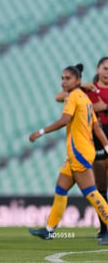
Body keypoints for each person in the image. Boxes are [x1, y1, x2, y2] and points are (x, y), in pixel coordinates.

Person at [28, 64, 108, 245]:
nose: (63, 82)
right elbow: (97, 127)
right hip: (81, 152)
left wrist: (40, 132)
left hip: (78, 153)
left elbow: (65, 120)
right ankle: (49, 230)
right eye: (62, 78)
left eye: (68, 78)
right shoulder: (85, 99)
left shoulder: (73, 97)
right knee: (61, 189)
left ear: (78, 80)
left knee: (92, 193)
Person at [55, 57, 108, 238]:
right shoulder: (90, 89)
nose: (107, 72)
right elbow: (60, 96)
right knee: (101, 185)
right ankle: (104, 230)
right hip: (98, 139)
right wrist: (82, 89)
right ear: (98, 69)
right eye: (105, 68)